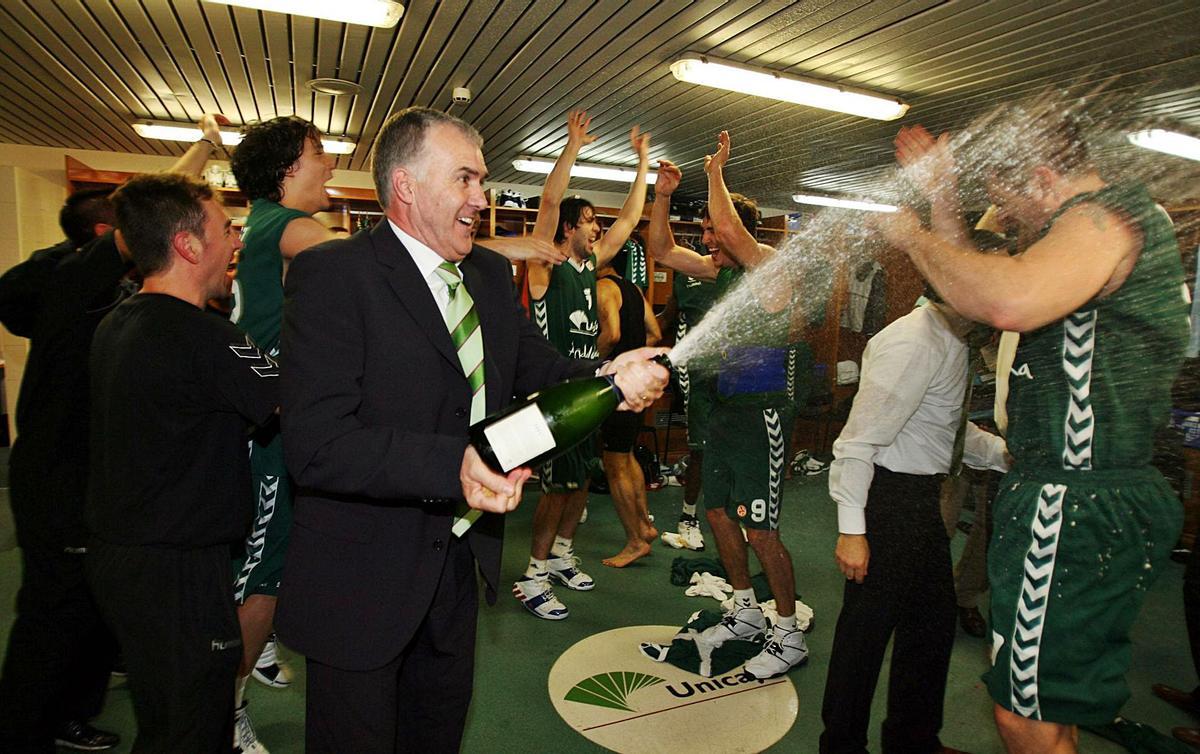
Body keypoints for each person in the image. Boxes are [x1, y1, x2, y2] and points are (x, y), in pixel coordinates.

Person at [274, 105, 667, 753]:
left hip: (457, 560)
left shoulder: (484, 272)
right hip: (363, 576)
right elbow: (318, 446)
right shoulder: (335, 275)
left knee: (437, 732)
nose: (481, 199)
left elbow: (532, 366)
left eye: (481, 181)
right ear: (406, 185)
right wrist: (454, 466)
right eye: (465, 179)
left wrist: (608, 374)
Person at [877, 113, 1189, 753]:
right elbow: (973, 290)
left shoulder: (1100, 218)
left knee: (1025, 717)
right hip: (1079, 492)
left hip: (1073, 500)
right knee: (1048, 705)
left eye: (1009, 205)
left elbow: (1006, 301)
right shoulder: (1112, 225)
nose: (1010, 224)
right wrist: (940, 194)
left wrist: (911, 235)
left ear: (1046, 179)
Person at [0, 117, 224, 754]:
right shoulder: (69, 280)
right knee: (52, 614)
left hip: (97, 481)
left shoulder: (113, 294)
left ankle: (71, 714)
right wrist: (203, 147)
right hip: (57, 479)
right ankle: (21, 731)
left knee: (89, 611)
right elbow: (152, 206)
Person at [86, 172, 279, 753]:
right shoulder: (208, 338)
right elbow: (286, 401)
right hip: (177, 572)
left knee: (165, 718)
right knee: (191, 727)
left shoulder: (115, 321)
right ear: (189, 246)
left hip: (123, 558)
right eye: (225, 229)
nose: (236, 241)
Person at [646, 130, 809, 679]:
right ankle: (743, 610)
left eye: (713, 229)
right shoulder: (722, 273)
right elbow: (662, 252)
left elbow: (736, 234)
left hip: (762, 413)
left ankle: (786, 633)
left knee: (760, 528)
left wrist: (715, 172)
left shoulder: (767, 265)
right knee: (716, 511)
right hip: (723, 413)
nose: (708, 238)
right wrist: (664, 194)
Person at [820, 288, 1008, 753]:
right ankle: (840, 746)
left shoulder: (951, 341)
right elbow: (857, 442)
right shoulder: (914, 342)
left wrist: (1007, 456)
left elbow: (944, 429)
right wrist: (852, 531)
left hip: (919, 501)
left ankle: (912, 741)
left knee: (930, 627)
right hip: (888, 501)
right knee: (864, 636)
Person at [226, 114, 350, 752]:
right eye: (319, 153)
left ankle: (261, 652)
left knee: (285, 556)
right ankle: (228, 703)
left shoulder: (262, 224)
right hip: (266, 430)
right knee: (264, 571)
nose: (329, 164)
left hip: (272, 416)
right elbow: (374, 267)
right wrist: (483, 248)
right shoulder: (290, 225)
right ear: (288, 170)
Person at [513, 109, 652, 620]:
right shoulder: (543, 265)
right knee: (555, 488)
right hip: (551, 398)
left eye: (597, 222)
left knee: (580, 479)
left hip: (588, 389)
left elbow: (630, 221)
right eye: (590, 220)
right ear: (570, 227)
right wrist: (570, 147)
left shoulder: (593, 267)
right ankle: (532, 574)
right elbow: (549, 201)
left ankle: (563, 556)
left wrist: (642, 165)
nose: (598, 229)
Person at [596, 247, 662, 567]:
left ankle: (635, 541)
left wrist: (589, 363)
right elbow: (655, 333)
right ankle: (645, 526)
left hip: (616, 388)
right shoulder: (633, 289)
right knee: (627, 454)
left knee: (614, 463)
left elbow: (611, 335)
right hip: (636, 384)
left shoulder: (603, 288)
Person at [658, 255, 719, 551]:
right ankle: (688, 517)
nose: (709, 239)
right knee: (700, 449)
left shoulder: (743, 271)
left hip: (734, 372)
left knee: (734, 447)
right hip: (696, 373)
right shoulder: (688, 276)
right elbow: (667, 319)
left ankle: (733, 515)